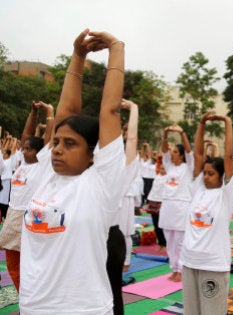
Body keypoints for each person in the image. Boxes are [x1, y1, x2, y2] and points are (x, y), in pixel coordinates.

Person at [19, 29, 126, 314]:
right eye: (55, 142)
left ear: (93, 154)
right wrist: (78, 56)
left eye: (69, 144)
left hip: (84, 308)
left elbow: (110, 112)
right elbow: (66, 110)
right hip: (34, 307)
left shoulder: (100, 183)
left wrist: (116, 48)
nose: (56, 149)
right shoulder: (45, 174)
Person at [180, 112, 233, 314]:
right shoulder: (198, 190)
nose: (205, 177)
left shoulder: (226, 195)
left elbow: (229, 157)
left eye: (211, 173)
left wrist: (227, 122)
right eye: (204, 173)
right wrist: (202, 123)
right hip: (189, 261)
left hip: (213, 265)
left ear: (222, 176)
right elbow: (197, 155)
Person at [0, 101, 54, 292]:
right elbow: (25, 136)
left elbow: (48, 139)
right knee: (13, 266)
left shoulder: (42, 165)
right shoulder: (23, 162)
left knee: (30, 265)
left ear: (39, 152)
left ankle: (34, 298)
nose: (23, 150)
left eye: (28, 148)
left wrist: (49, 112)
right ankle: (26, 299)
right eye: (24, 148)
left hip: (29, 218)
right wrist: (33, 112)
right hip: (13, 216)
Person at [105, 99, 139, 315]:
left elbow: (132, 140)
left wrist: (134, 110)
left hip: (110, 240)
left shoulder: (122, 173)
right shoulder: (86, 172)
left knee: (112, 294)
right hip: (88, 236)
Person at [159, 124, 194, 282]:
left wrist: (182, 133)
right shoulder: (169, 166)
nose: (171, 154)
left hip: (181, 206)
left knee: (180, 241)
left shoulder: (188, 168)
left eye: (174, 152)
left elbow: (189, 151)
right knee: (169, 240)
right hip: (167, 205)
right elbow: (164, 150)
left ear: (180, 155)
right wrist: (165, 134)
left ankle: (181, 269)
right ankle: (174, 268)